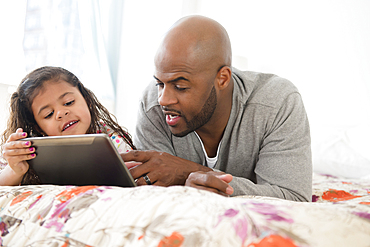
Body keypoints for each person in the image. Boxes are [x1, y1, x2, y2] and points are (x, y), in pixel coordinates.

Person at [121, 15, 312, 202]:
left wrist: (187, 172)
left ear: (223, 79)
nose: (164, 99)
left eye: (180, 87)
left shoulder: (276, 102)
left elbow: (293, 199)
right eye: (160, 84)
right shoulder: (152, 105)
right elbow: (152, 191)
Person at [0, 66, 135, 186]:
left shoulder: (111, 138)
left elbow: (134, 173)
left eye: (69, 102)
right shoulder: (30, 150)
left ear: (86, 100)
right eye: (49, 114)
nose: (61, 113)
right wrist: (14, 171)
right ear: (38, 128)